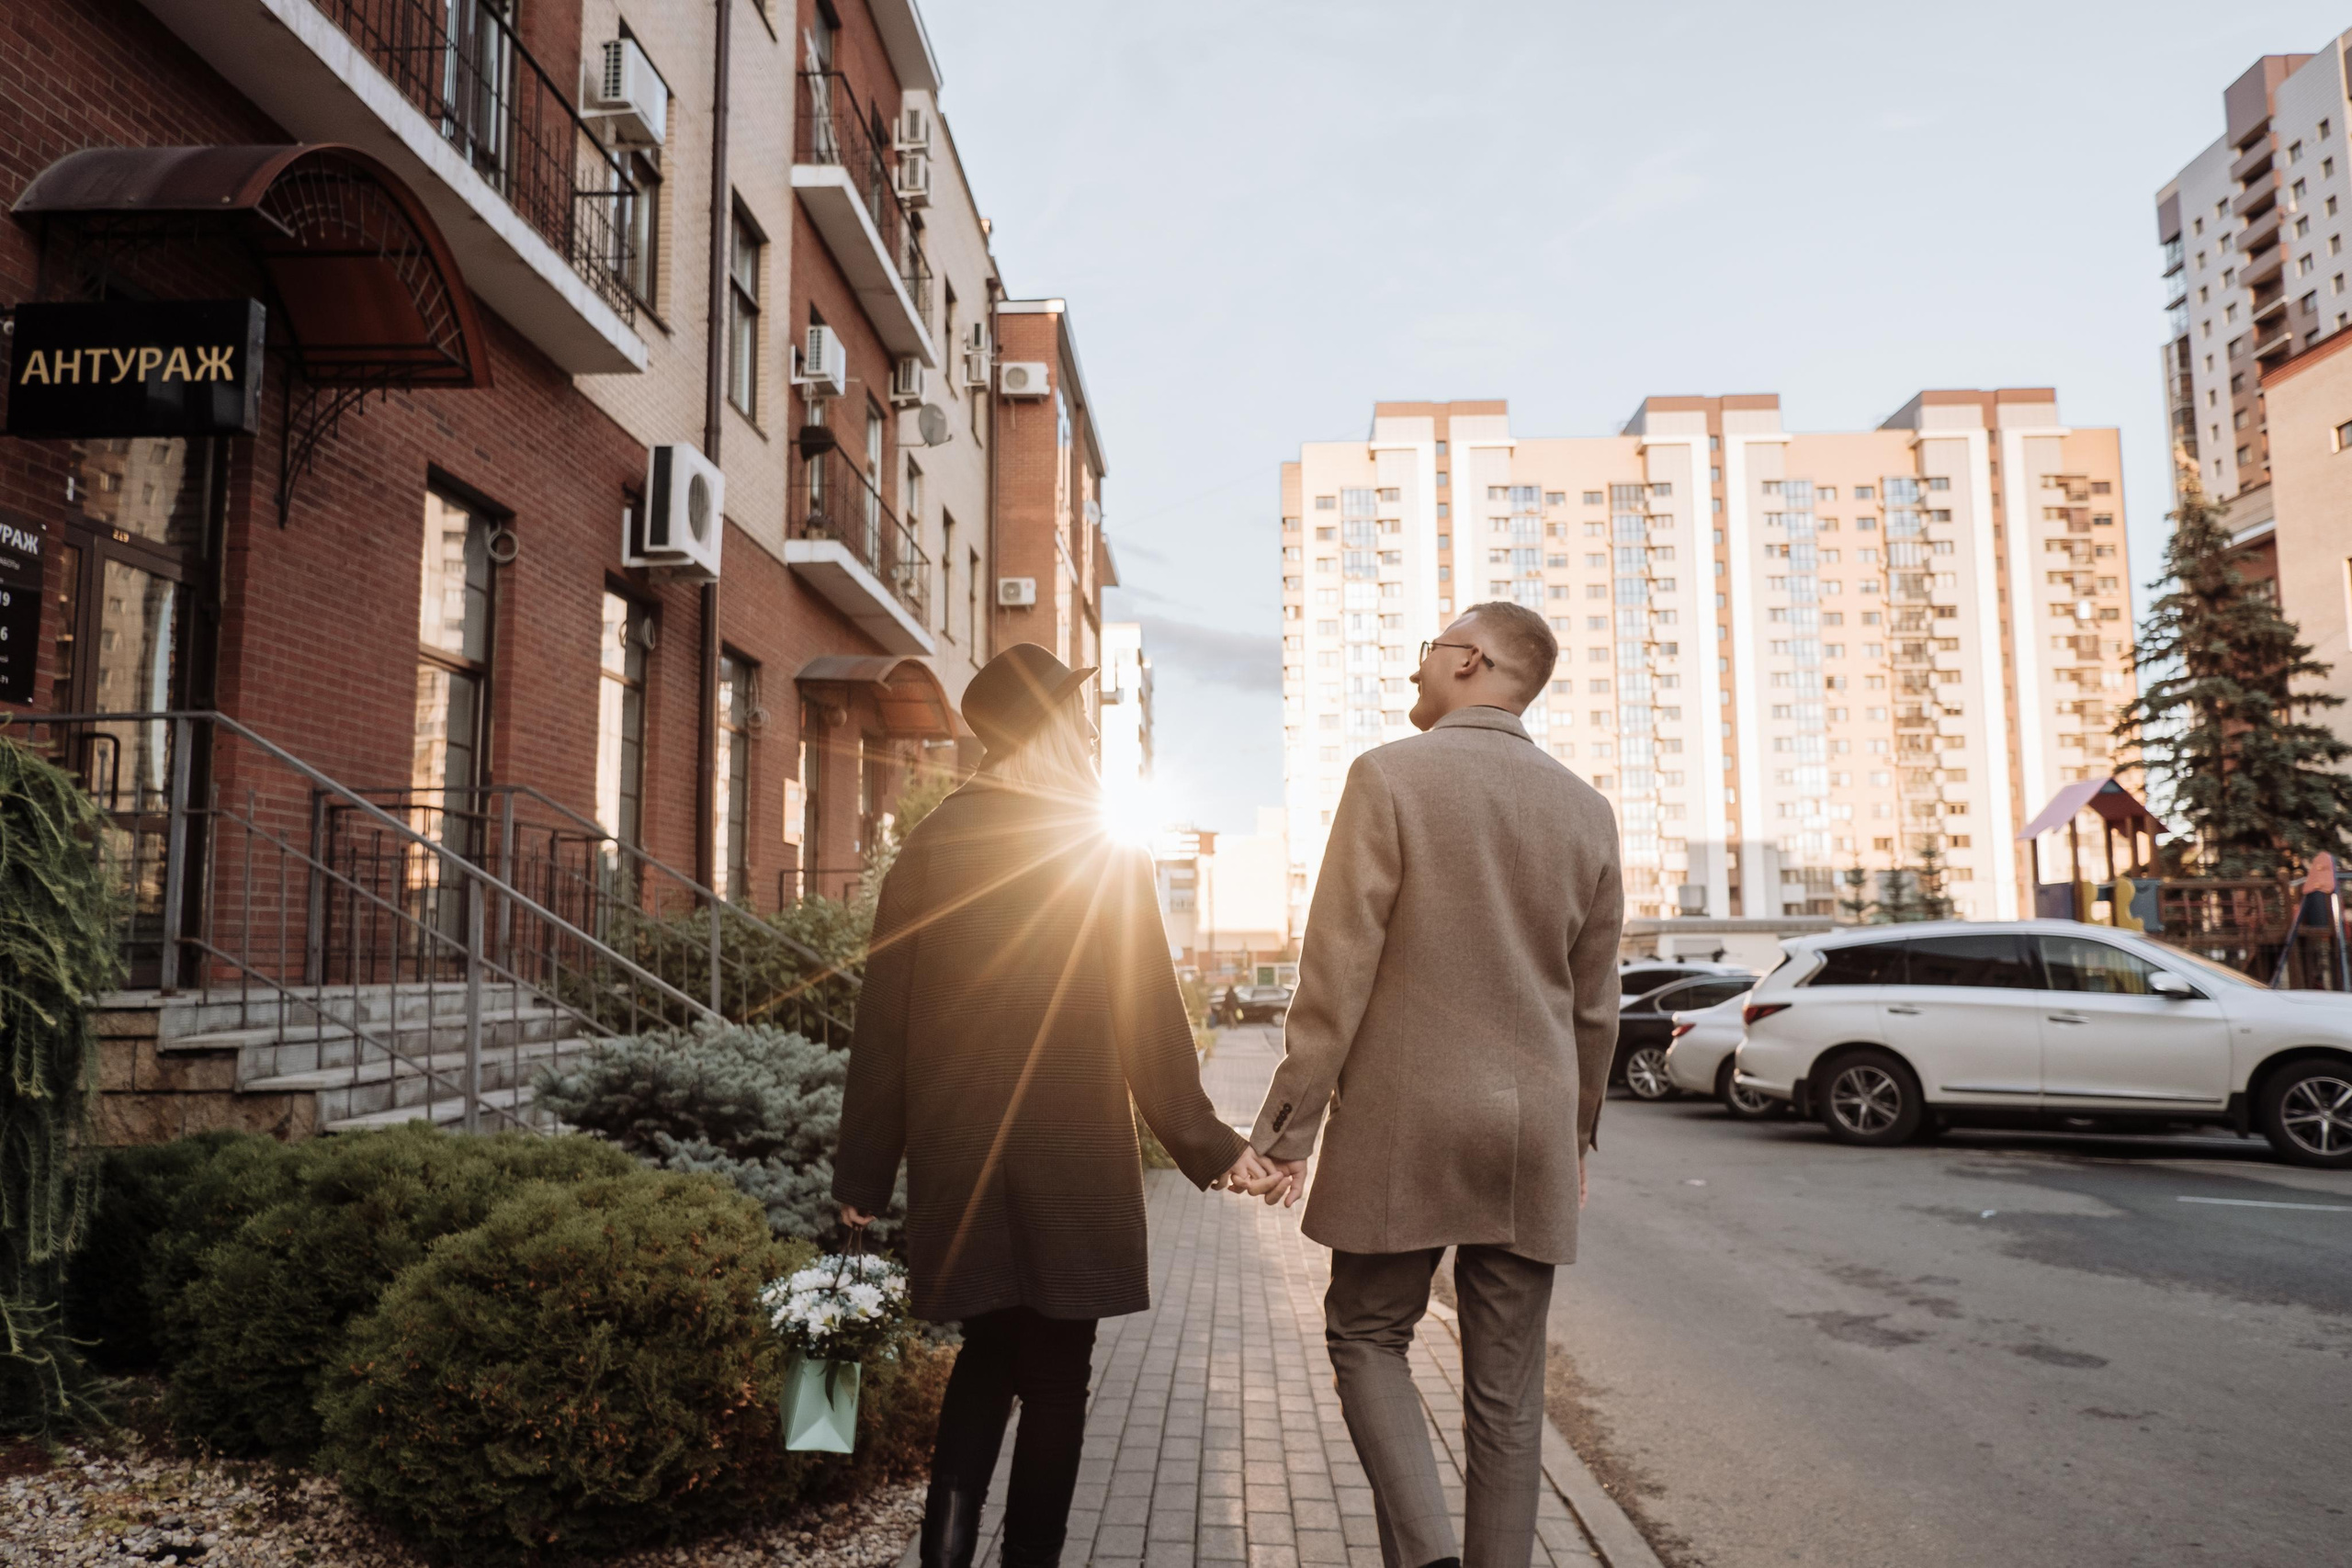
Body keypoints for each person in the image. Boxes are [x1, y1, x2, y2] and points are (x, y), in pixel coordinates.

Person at [832, 643, 1279, 1568]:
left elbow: (883, 1027)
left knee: (985, 1358)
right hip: (1071, 1150)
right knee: (1057, 1382)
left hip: (963, 1153)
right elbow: (1146, 1017)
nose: (1086, 732)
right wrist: (1211, 1145)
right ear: (1045, 728)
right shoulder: (1094, 847)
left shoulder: (932, 845)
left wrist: (863, 1174)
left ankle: (944, 1558)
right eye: (1073, 716)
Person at [1246, 602, 1623, 1568]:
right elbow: (1593, 1007)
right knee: (1507, 1393)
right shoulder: (1587, 811)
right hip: (1529, 1128)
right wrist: (1575, 1137)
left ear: (1469, 660)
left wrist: (1285, 1132)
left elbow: (1336, 975)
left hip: (1404, 1118)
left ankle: (1423, 1557)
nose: (1416, 672)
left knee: (1366, 1333)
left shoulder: (1387, 777)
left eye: (1429, 653)